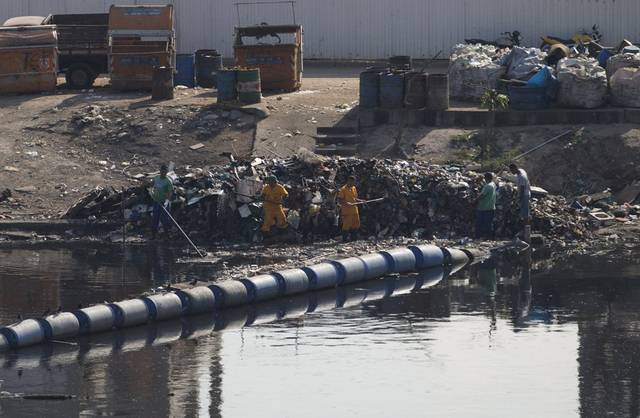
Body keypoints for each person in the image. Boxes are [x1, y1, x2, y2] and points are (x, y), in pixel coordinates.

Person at [336, 175, 365, 242]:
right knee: (347, 224)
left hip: (354, 209)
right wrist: (346, 203)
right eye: (352, 182)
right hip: (347, 210)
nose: (353, 184)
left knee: (356, 224)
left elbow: (354, 198)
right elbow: (339, 199)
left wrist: (361, 201)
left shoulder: (354, 188)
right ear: (349, 181)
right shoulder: (343, 189)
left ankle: (354, 238)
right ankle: (345, 239)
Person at [150, 164, 174, 240]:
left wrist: (167, 201)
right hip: (156, 201)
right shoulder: (156, 177)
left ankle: (166, 234)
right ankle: (153, 234)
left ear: (166, 172)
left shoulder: (168, 181)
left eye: (165, 172)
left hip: (164, 202)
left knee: (165, 218)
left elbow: (170, 192)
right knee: (155, 217)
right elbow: (152, 183)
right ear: (160, 171)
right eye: (162, 172)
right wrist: (151, 190)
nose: (163, 174)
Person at [472, 172, 497, 239]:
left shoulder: (487, 186)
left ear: (486, 178)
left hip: (484, 207)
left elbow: (482, 196)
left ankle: (479, 235)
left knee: (481, 222)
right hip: (490, 206)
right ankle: (489, 236)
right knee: (489, 222)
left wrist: (475, 200)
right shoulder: (493, 184)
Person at [509, 163, 531, 237]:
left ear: (515, 168)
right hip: (526, 193)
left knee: (525, 213)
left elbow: (522, 188)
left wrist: (520, 198)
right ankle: (525, 230)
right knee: (525, 213)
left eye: (511, 170)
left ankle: (524, 231)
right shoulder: (521, 170)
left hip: (524, 195)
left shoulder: (521, 176)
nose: (511, 172)